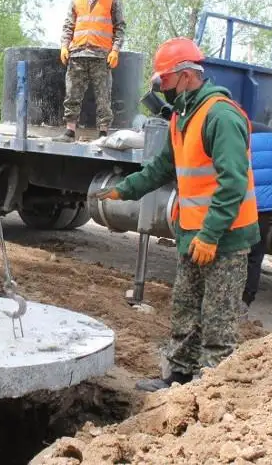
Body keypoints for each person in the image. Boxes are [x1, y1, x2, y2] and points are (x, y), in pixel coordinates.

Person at [92, 37, 260, 392]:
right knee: (185, 309)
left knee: (218, 320)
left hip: (224, 237)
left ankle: (210, 392)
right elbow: (162, 168)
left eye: (164, 80)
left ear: (186, 76)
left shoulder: (220, 116)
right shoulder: (182, 117)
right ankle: (179, 378)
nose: (161, 88)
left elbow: (232, 183)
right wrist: (125, 189)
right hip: (192, 232)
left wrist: (210, 235)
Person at [53, 0, 126, 142]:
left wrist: (115, 50)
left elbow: (120, 27)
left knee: (103, 97)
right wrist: (64, 46)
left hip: (101, 56)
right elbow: (68, 26)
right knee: (72, 94)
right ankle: (70, 131)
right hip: (77, 54)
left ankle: (103, 133)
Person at [243, 121, 272, 317]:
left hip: (242, 202)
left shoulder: (233, 129)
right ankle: (246, 298)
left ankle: (229, 294)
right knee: (255, 253)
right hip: (266, 205)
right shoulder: (270, 133)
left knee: (234, 250)